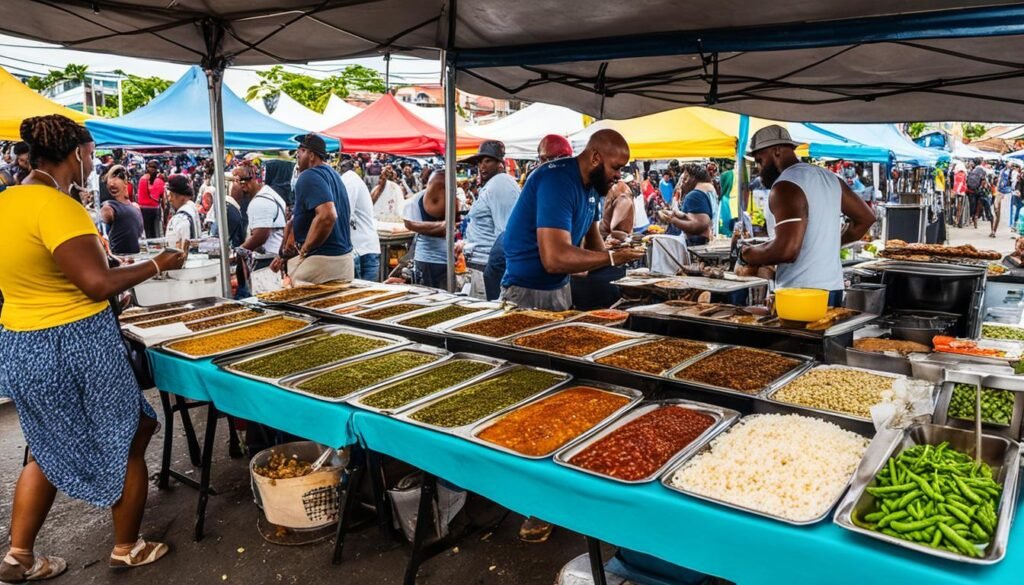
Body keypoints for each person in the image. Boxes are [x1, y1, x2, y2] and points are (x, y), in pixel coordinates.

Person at [0, 115, 188, 582]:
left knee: (45, 444)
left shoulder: (8, 201)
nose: (94, 163)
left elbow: (49, 268)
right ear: (78, 153)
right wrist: (157, 263)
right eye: (92, 153)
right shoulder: (57, 206)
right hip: (76, 342)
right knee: (132, 431)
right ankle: (127, 547)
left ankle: (18, 555)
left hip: (22, 341)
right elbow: (96, 283)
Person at [501, 129, 646, 311]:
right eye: (616, 167)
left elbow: (594, 246)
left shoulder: (591, 186)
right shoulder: (557, 181)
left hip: (560, 287)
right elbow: (555, 259)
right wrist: (613, 257)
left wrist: (622, 263)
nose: (619, 176)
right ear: (595, 158)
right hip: (527, 291)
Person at [737, 125, 876, 307]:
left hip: (800, 293)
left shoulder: (785, 185)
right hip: (832, 287)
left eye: (760, 160)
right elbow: (866, 219)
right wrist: (827, 244)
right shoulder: (829, 178)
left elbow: (787, 250)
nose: (759, 168)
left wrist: (747, 255)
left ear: (776, 151)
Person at [275, 134, 354, 283]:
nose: (297, 156)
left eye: (301, 151)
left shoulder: (309, 176)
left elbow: (327, 216)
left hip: (322, 262)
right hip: (343, 260)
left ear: (311, 155)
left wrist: (305, 249)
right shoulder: (334, 175)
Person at [457, 141, 521, 298]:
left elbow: (506, 234)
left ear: (500, 164)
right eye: (480, 162)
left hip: (488, 265)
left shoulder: (501, 184)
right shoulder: (493, 184)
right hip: (479, 263)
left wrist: (495, 274)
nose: (482, 166)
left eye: (488, 161)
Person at [403, 170, 449, 289]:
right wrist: (443, 226)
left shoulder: (453, 198)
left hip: (450, 260)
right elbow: (409, 224)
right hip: (428, 259)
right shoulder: (416, 201)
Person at [339, 159, 382, 281]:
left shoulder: (349, 180)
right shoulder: (353, 180)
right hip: (366, 247)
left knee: (359, 295)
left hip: (362, 250)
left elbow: (344, 215)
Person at [658, 163, 719, 247]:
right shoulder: (709, 189)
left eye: (685, 179)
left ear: (693, 179)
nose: (682, 183)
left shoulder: (694, 195)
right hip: (706, 241)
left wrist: (671, 220)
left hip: (695, 243)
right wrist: (675, 214)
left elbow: (699, 225)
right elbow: (695, 216)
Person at [100, 164, 144, 255]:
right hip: (122, 260)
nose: (112, 183)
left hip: (135, 259)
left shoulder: (135, 207)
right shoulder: (109, 208)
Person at [164, 174, 201, 245]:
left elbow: (174, 249)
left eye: (172, 196)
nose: (169, 199)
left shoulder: (180, 218)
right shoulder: (192, 207)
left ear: (182, 197)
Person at [136, 159, 165, 239]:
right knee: (155, 230)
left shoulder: (142, 179)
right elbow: (160, 196)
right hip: (154, 208)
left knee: (147, 230)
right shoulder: (158, 180)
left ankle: (150, 245)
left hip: (143, 208)